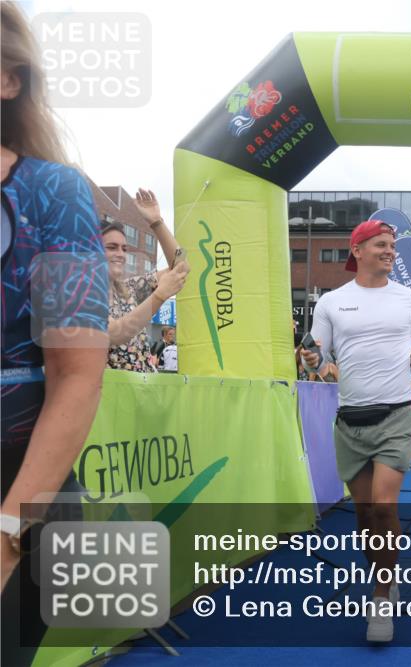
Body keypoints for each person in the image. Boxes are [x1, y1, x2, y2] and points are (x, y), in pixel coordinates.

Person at [1, 3, 110, 663]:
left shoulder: (53, 194)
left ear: (10, 80)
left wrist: (10, 532)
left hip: (21, 495)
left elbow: (77, 378)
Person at [303, 219, 411, 643]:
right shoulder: (331, 302)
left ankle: (380, 598)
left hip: (396, 417)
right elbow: (315, 356)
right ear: (357, 249)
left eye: (393, 246)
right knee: (364, 517)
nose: (390, 251)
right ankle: (385, 570)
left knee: (383, 508)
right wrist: (310, 360)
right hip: (350, 422)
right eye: (381, 245)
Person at [104, 188, 188, 372]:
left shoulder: (129, 288)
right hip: (111, 397)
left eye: (124, 249)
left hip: (144, 394)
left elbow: (181, 267)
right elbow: (115, 333)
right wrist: (159, 295)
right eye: (112, 247)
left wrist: (156, 222)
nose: (120, 254)